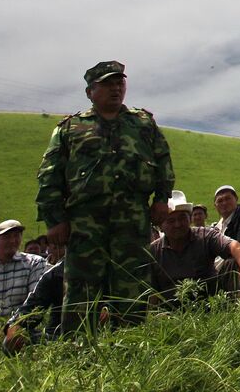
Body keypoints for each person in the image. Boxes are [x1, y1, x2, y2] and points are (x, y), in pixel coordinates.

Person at [37, 60, 174, 329]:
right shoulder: (70, 128)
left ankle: (129, 346)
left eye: (119, 82)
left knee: (131, 283)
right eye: (108, 84)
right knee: (81, 288)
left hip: (132, 219)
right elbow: (50, 174)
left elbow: (163, 161)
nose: (116, 88)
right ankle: (79, 351)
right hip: (85, 221)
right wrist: (55, 220)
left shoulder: (143, 124)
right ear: (90, 92)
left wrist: (161, 199)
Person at [149, 191, 240, 302]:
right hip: (171, 309)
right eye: (171, 221)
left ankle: (238, 309)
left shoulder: (205, 235)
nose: (177, 224)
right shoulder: (154, 251)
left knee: (233, 262)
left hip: (210, 302)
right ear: (160, 227)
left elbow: (234, 246)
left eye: (182, 218)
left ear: (189, 219)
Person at [2, 237, 66, 353]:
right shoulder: (54, 274)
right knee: (14, 338)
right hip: (60, 339)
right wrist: (16, 326)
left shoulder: (106, 269)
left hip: (99, 337)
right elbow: (32, 308)